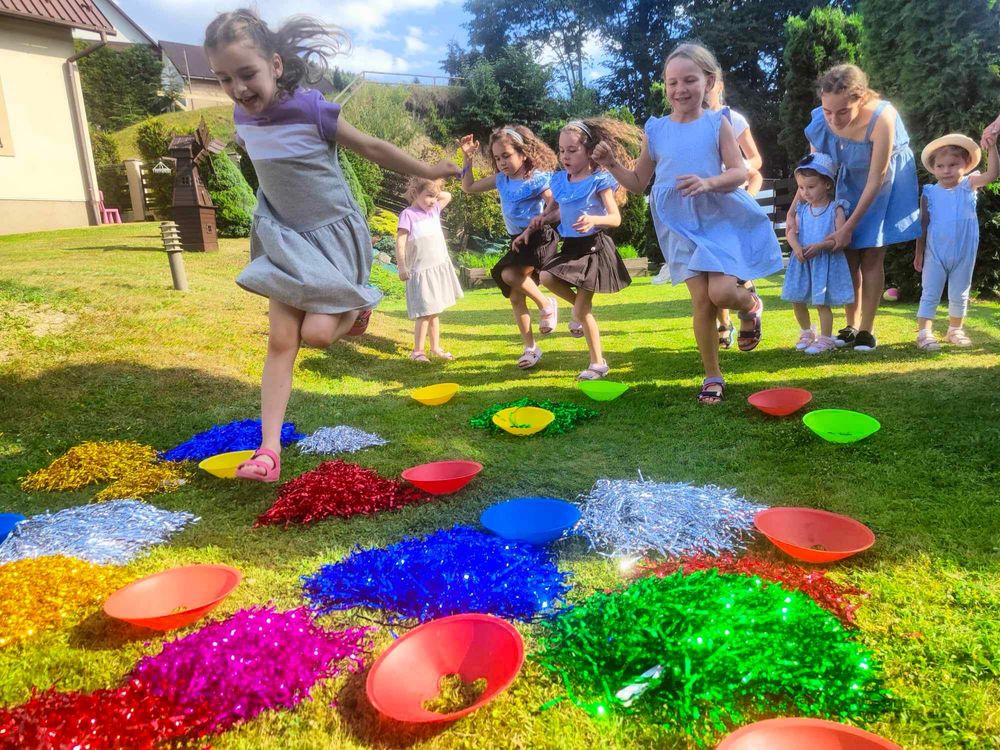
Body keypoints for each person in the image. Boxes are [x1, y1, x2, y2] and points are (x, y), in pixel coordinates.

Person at [204, 9, 458, 482]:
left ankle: (359, 306)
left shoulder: (311, 108)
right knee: (282, 340)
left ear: (275, 65)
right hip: (284, 236)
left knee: (318, 335)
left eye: (247, 74)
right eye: (224, 79)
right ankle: (269, 450)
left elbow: (372, 147)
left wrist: (429, 171)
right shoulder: (243, 117)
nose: (238, 88)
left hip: (334, 235)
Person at [595, 42, 782, 403]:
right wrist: (610, 165)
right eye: (672, 82)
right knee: (702, 302)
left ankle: (751, 305)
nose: (680, 89)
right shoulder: (657, 129)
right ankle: (713, 375)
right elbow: (637, 182)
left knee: (723, 293)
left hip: (717, 215)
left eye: (689, 80)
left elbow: (739, 171)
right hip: (677, 222)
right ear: (664, 86)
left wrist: (708, 182)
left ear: (708, 81)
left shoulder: (718, 123)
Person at [797, 64, 920, 352]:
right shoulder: (821, 120)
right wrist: (795, 210)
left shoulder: (882, 118)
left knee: (872, 255)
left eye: (842, 112)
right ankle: (850, 326)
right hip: (851, 180)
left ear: (861, 99)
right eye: (828, 111)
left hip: (885, 182)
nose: (834, 119)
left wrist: (848, 228)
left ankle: (867, 330)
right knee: (848, 255)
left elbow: (877, 179)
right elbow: (816, 171)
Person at [516, 118, 639, 380]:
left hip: (594, 250)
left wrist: (594, 219)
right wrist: (537, 222)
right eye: (562, 150)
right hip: (571, 247)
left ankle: (598, 364)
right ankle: (578, 310)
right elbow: (553, 213)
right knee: (547, 276)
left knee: (582, 312)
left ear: (588, 150)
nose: (565, 156)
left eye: (572, 150)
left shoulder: (599, 180)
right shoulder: (560, 181)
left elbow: (614, 218)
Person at [458, 126, 559, 369]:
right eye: (497, 157)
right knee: (515, 296)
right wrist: (467, 158)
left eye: (507, 156)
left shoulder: (536, 178)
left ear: (523, 153)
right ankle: (531, 348)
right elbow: (468, 187)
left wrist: (540, 221)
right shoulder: (501, 180)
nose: (501, 162)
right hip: (518, 238)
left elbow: (556, 208)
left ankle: (546, 304)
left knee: (509, 274)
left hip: (539, 236)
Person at [914, 131, 998, 350]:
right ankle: (924, 333)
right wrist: (919, 252)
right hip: (935, 253)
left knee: (960, 291)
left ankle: (955, 330)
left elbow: (992, 175)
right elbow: (923, 223)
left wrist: (992, 147)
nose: (946, 170)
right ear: (933, 168)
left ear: (966, 164)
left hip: (964, 252)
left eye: (953, 164)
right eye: (940, 166)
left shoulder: (968, 185)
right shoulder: (930, 192)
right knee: (930, 291)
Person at [781, 153, 854, 355]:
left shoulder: (835, 209)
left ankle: (825, 338)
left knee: (821, 302)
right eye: (802, 188)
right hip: (802, 261)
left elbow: (839, 238)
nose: (805, 192)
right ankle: (806, 332)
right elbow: (790, 232)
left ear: (827, 185)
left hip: (823, 260)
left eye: (811, 187)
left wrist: (821, 246)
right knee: (797, 299)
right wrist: (796, 247)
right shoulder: (802, 210)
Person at [396, 177, 464, 361]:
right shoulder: (408, 214)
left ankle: (435, 348)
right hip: (420, 271)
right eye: (428, 196)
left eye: (435, 196)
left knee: (434, 311)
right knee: (424, 312)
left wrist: (433, 187)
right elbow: (401, 242)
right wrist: (402, 266)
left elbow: (447, 195)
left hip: (436, 269)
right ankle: (417, 351)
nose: (433, 200)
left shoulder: (433, 210)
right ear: (415, 193)